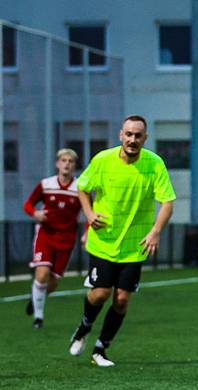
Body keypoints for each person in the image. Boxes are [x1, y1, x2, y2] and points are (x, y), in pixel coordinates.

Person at [67, 115, 176, 367]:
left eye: (138, 135)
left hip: (135, 245)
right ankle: (84, 326)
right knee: (100, 294)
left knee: (122, 299)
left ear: (145, 138)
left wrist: (156, 231)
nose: (133, 139)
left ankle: (100, 350)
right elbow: (82, 187)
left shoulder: (154, 164)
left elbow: (168, 202)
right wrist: (90, 213)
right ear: (120, 135)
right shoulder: (103, 160)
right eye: (128, 134)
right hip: (104, 240)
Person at [22, 148, 84, 328]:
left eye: (70, 161)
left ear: (74, 165)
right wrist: (35, 213)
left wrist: (88, 232)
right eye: (63, 160)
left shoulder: (80, 188)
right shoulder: (45, 184)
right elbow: (28, 204)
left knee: (53, 282)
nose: (67, 164)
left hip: (67, 238)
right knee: (42, 273)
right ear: (57, 164)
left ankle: (35, 298)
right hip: (46, 234)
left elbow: (89, 211)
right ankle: (38, 318)